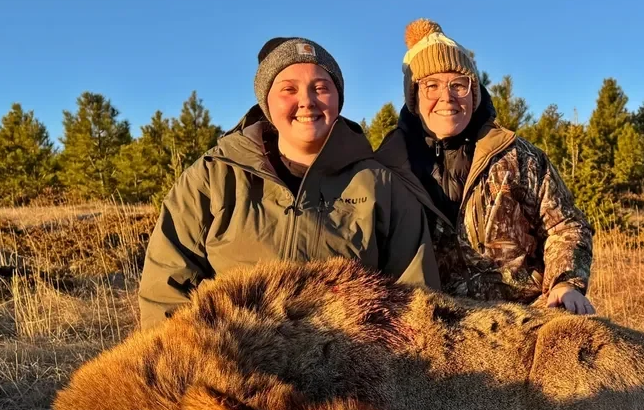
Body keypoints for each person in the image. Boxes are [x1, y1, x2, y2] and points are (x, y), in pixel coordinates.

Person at [138, 36, 440, 328]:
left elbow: (415, 298)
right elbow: (166, 289)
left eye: (320, 88)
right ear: (266, 102)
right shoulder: (212, 177)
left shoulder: (380, 186)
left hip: (348, 372)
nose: (306, 101)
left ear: (338, 100)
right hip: (230, 368)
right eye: (288, 89)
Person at [377, 19, 595, 314]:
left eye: (458, 84)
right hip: (430, 327)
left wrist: (564, 283)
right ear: (414, 95)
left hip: (523, 318)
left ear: (474, 92)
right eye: (432, 85)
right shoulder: (385, 167)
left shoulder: (518, 156)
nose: (447, 97)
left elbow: (565, 225)